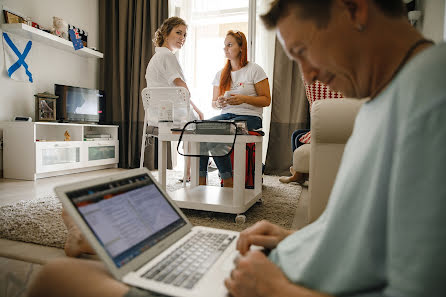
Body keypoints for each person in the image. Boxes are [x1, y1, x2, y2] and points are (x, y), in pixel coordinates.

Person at [28, 1, 446, 297]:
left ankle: (103, 243)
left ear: (353, 8)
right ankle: (111, 242)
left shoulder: (432, 95)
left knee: (55, 280)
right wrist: (296, 237)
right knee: (157, 255)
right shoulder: (384, 97)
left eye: (302, 52)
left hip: (275, 286)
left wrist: (278, 290)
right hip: (278, 265)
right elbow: (368, 231)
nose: (308, 73)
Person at [199, 30, 271, 188]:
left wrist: (243, 99)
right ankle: (200, 182)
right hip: (227, 116)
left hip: (250, 117)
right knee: (201, 129)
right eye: (224, 45)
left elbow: (266, 100)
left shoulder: (254, 70)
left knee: (216, 130)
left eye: (229, 45)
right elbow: (213, 102)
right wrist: (219, 103)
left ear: (241, 47)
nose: (225, 48)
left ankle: (228, 180)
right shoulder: (221, 74)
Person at [146, 16, 204, 182]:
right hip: (171, 115)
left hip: (155, 114)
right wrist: (196, 109)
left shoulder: (155, 58)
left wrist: (195, 108)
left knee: (195, 118)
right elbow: (182, 88)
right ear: (165, 33)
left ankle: (189, 172)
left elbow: (178, 92)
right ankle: (196, 171)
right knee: (201, 126)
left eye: (185, 35)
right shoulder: (168, 57)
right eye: (178, 33)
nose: (182, 38)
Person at [279, 80, 343, 184]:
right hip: (331, 124)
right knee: (296, 134)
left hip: (334, 126)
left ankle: (299, 174)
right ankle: (299, 172)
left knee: (298, 137)